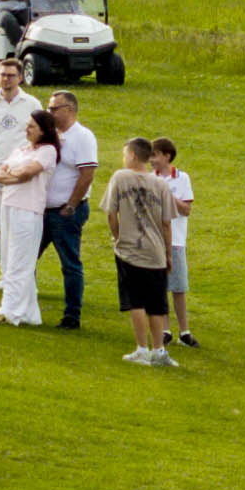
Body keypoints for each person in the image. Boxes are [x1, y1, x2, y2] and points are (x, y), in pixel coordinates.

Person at [104, 136, 180, 366]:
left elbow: (111, 213)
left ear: (133, 155)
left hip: (130, 251)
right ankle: (159, 351)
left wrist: (117, 236)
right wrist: (167, 254)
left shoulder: (120, 177)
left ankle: (141, 349)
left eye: (125, 153)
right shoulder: (161, 184)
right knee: (157, 304)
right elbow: (167, 223)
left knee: (136, 302)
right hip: (156, 253)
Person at [38, 89, 99, 330]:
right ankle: (22, 304)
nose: (49, 112)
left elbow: (87, 174)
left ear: (70, 110)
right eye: (48, 108)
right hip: (43, 208)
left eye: (54, 109)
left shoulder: (82, 137)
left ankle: (72, 314)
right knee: (26, 257)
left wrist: (71, 204)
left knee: (70, 263)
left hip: (65, 211)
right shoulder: (51, 135)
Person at [0, 111, 56, 327]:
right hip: (9, 204)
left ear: (43, 130)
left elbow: (29, 172)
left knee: (21, 259)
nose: (27, 130)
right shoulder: (20, 149)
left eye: (32, 126)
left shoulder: (48, 151)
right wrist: (15, 175)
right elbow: (0, 174)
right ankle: (28, 312)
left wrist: (14, 174)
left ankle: (9, 309)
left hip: (28, 209)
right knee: (10, 256)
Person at [0, 57, 42, 270]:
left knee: (18, 223)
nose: (6, 79)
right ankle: (4, 271)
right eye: (2, 75)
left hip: (21, 169)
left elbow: (39, 135)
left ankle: (20, 270)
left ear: (19, 78)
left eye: (10, 75)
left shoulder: (32, 104)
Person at [153, 134, 198, 347]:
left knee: (178, 288)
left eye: (155, 155)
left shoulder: (181, 178)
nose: (152, 160)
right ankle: (165, 330)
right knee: (158, 287)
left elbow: (186, 209)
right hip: (155, 240)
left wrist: (167, 197)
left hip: (176, 240)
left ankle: (184, 331)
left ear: (167, 156)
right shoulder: (150, 178)